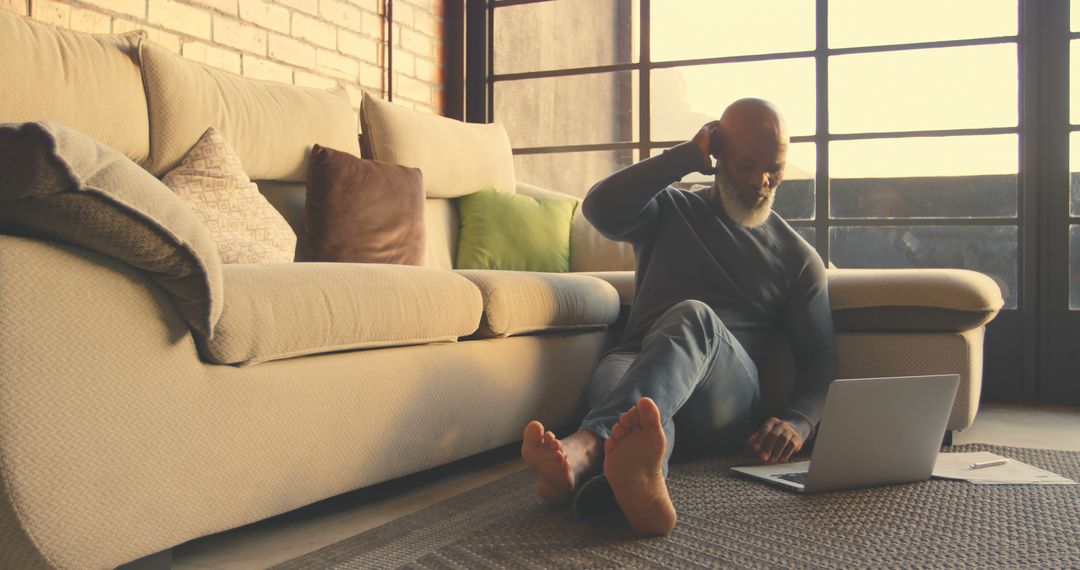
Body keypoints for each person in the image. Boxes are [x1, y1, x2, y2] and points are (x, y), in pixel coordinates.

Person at [520, 98, 838, 536]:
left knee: (694, 317)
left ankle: (587, 447)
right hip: (636, 367)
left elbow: (820, 357)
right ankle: (629, 492)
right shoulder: (668, 208)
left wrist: (799, 422)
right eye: (748, 165)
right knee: (633, 400)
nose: (762, 182)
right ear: (717, 153)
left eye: (775, 169)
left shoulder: (797, 258)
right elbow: (599, 209)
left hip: (723, 402)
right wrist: (686, 156)